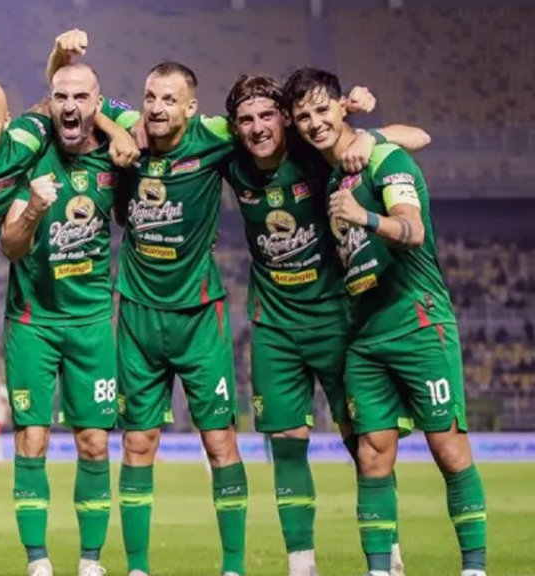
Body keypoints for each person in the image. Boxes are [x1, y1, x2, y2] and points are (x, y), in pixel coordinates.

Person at [222, 74, 429, 576]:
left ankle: (389, 553)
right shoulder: (228, 158)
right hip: (274, 326)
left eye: (267, 116)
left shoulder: (313, 151)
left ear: (285, 119)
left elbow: (417, 136)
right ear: (234, 127)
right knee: (286, 442)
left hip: (337, 318)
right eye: (246, 120)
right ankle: (301, 565)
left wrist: (366, 134)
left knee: (365, 440)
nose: (257, 128)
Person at [286, 67, 488, 576]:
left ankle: (475, 568)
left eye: (321, 109)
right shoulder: (334, 176)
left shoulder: (384, 159)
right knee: (373, 455)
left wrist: (366, 217)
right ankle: (379, 570)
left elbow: (413, 230)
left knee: (448, 447)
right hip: (365, 335)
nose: (313, 122)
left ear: (341, 106)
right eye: (303, 115)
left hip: (418, 322)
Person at [1, 29, 139, 576]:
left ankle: (89, 562)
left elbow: (136, 150)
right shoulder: (27, 148)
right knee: (32, 439)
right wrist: (34, 210)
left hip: (90, 322)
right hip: (33, 321)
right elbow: (11, 246)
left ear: (99, 105)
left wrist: (107, 126)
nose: (71, 105)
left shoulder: (113, 151)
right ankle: (37, 562)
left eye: (83, 97)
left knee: (92, 444)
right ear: (47, 102)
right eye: (61, 96)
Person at [112, 60, 246, 576]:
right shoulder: (126, 128)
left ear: (192, 108)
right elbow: (80, 99)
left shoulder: (213, 136)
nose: (158, 108)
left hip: (198, 316)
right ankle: (139, 568)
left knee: (220, 442)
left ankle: (234, 567)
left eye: (170, 100)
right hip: (139, 316)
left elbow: (276, 122)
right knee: (138, 441)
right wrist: (117, 126)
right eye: (150, 97)